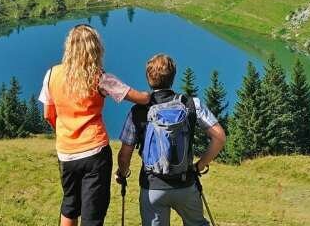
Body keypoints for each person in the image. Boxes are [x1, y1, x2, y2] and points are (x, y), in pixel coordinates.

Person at [40, 24, 150, 226]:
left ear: (69, 47)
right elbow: (139, 98)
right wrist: (155, 95)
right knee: (93, 215)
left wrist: (65, 132)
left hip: (66, 153)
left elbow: (48, 114)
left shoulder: (51, 74)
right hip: (94, 152)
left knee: (69, 206)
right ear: (95, 49)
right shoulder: (100, 78)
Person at [116, 54, 226, 226]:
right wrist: (200, 165)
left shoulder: (138, 110)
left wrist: (122, 174)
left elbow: (124, 155)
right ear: (173, 77)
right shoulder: (191, 104)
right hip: (186, 185)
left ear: (148, 78)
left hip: (152, 187)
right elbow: (219, 137)